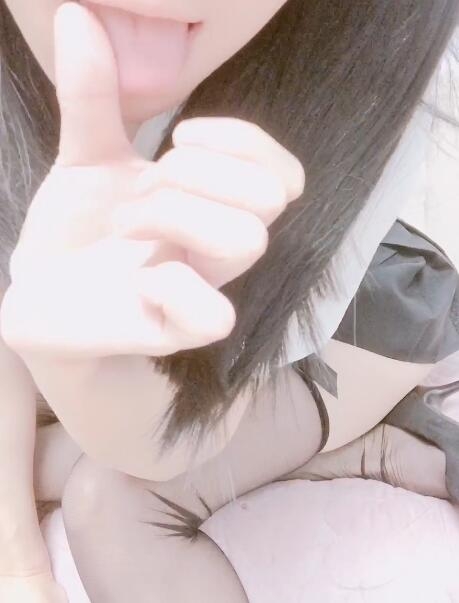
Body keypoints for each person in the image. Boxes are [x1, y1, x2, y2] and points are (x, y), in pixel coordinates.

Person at [0, 0, 458, 601]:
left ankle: (374, 447)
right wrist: (16, 567)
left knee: (106, 502)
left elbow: (174, 430)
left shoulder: (357, 60)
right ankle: (334, 451)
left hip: (354, 318)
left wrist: (25, 574)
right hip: (205, 347)